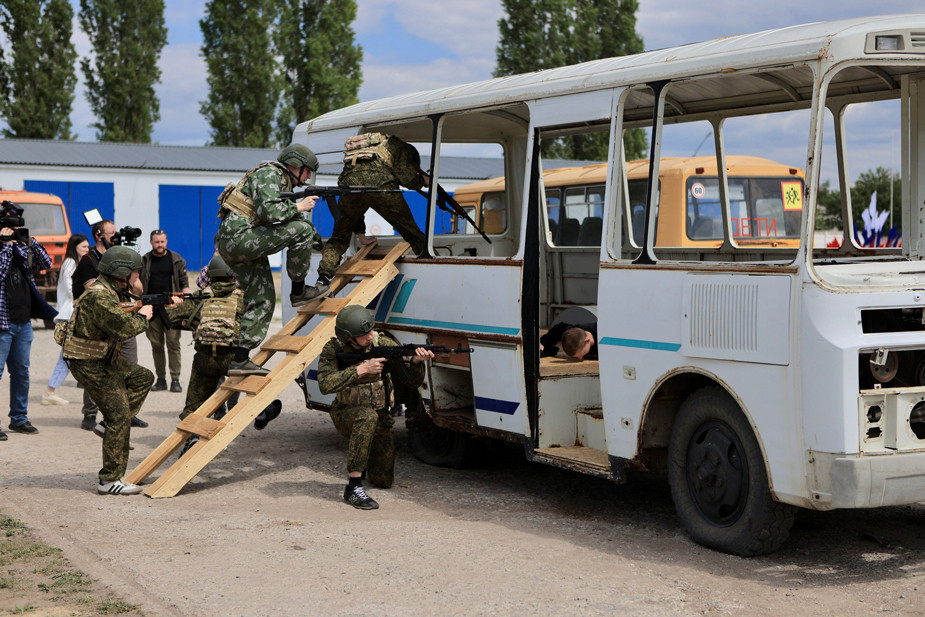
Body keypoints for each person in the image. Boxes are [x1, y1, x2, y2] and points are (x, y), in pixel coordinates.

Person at [63, 246, 172, 495]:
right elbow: (125, 328)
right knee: (120, 417)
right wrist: (144, 315)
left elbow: (132, 304)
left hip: (101, 359)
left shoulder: (112, 290)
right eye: (135, 273)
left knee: (143, 377)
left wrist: (162, 304)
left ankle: (105, 425)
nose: (137, 278)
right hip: (89, 363)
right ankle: (109, 480)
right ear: (121, 272)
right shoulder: (99, 296)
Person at [214, 144, 326, 377]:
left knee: (263, 298)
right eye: (306, 171)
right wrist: (299, 206)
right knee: (302, 229)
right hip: (239, 238)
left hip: (239, 242)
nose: (307, 177)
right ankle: (298, 291)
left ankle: (240, 359)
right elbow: (270, 213)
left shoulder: (281, 181)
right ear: (294, 165)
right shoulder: (270, 173)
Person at [317, 305, 434, 510]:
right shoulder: (333, 349)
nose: (370, 336)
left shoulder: (382, 343)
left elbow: (411, 382)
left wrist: (416, 361)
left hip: (381, 417)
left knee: (383, 481)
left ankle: (364, 457)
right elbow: (325, 384)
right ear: (348, 338)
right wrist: (361, 370)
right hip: (346, 414)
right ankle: (353, 486)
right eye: (363, 335)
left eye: (370, 330)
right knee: (366, 417)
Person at [168, 254, 281, 455]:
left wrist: (181, 310)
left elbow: (173, 320)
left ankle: (191, 439)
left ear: (211, 275)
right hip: (232, 359)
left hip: (204, 360)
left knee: (193, 406)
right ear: (232, 276)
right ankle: (266, 407)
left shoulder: (201, 296)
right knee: (256, 382)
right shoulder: (242, 297)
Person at [315, 133, 429, 289]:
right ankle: (431, 265)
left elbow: (358, 204)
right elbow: (407, 179)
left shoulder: (366, 148)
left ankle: (323, 278)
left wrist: (361, 236)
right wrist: (423, 180)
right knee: (410, 230)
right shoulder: (404, 149)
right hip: (381, 185)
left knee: (338, 240)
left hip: (349, 185)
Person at [73, 219, 148, 431]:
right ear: (99, 236)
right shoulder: (90, 260)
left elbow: (138, 290)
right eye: (110, 234)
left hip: (124, 321)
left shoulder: (122, 259)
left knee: (129, 368)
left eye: (116, 233)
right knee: (97, 370)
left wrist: (130, 274)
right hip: (101, 326)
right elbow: (93, 290)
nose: (114, 237)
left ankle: (126, 411)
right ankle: (90, 413)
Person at [0, 213, 56, 440]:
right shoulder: (3, 250)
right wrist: (4, 246)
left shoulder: (21, 248)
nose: (11, 232)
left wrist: (29, 241)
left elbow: (46, 263)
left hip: (23, 323)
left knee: (21, 372)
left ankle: (19, 418)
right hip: (2, 323)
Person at [140, 229, 189, 393]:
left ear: (166, 241)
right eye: (156, 242)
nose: (159, 245)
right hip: (151, 310)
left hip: (172, 309)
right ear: (151, 242)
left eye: (162, 241)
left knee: (173, 344)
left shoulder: (176, 260)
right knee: (156, 345)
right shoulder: (145, 260)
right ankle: (161, 380)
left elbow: (184, 284)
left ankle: (175, 379)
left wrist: (186, 305)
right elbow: (138, 284)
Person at [42, 233, 89, 406]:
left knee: (70, 355)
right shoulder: (70, 263)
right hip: (69, 314)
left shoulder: (77, 262)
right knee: (68, 355)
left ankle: (51, 391)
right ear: (75, 246)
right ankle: (49, 392)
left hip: (73, 313)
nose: (86, 249)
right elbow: (71, 289)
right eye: (83, 246)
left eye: (87, 246)